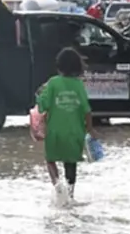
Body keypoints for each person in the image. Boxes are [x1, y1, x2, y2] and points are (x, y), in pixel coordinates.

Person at [35, 47, 94, 195]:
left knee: (50, 160)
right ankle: (71, 194)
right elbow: (87, 110)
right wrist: (90, 129)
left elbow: (43, 106)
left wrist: (40, 94)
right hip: (75, 133)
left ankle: (57, 186)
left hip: (55, 132)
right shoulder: (79, 85)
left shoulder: (53, 83)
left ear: (59, 65)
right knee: (71, 164)